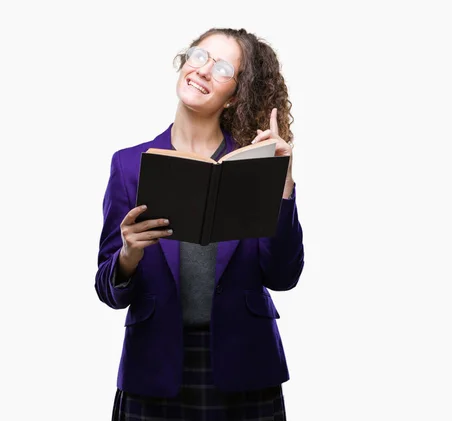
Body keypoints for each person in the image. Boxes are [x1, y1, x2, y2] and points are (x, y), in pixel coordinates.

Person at [95, 27, 304, 421]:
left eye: (223, 67)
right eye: (199, 56)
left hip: (245, 367)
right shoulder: (128, 165)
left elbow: (283, 275)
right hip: (154, 368)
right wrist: (128, 255)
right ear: (183, 64)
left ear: (235, 95)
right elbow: (110, 291)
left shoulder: (255, 163)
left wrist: (283, 184)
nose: (205, 70)